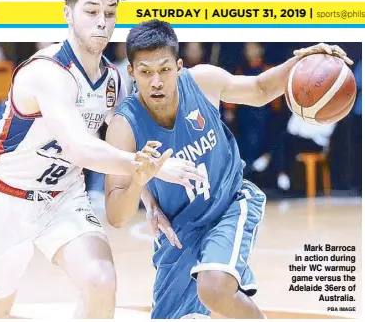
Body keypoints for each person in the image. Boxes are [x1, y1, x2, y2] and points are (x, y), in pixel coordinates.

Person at [0, 0, 202, 319]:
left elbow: (124, 150)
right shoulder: (46, 72)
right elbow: (80, 148)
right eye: (91, 11)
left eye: (109, 12)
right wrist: (159, 167)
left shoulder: (114, 81)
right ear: (67, 13)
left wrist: (149, 198)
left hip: (63, 199)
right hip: (5, 198)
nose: (102, 22)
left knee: (101, 279)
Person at [104, 19, 352, 319]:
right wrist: (140, 185)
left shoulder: (201, 81)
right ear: (131, 72)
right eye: (145, 72)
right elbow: (116, 216)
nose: (156, 81)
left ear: (179, 66)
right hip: (179, 230)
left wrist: (302, 60)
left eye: (164, 70)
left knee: (214, 289)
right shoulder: (123, 126)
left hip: (229, 203)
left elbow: (259, 89)